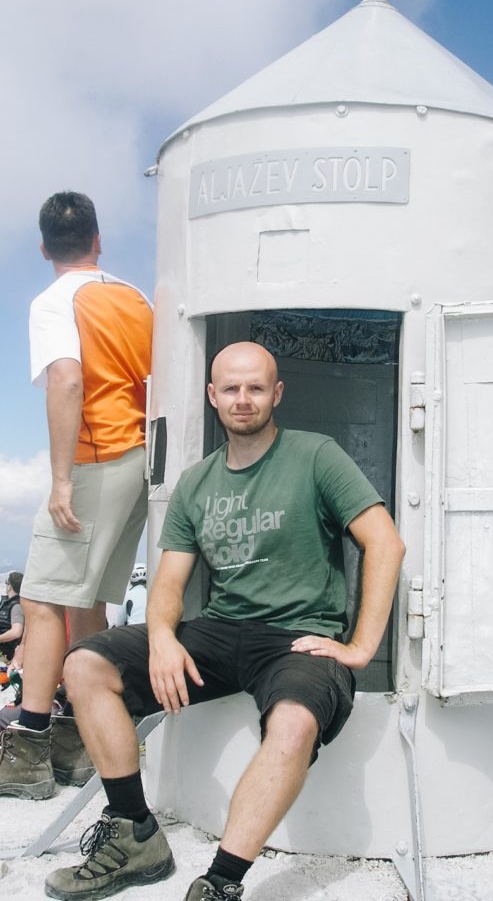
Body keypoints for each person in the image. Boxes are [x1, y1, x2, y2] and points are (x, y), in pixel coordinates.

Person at [44, 341, 405, 901]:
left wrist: (360, 647)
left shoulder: (316, 455)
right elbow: (168, 585)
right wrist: (162, 637)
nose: (243, 399)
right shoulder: (196, 482)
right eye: (231, 388)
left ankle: (220, 882)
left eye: (255, 388)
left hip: (297, 637)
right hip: (220, 630)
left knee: (294, 722)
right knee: (85, 664)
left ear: (276, 394)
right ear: (212, 395)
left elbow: (385, 543)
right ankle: (135, 832)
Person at [0, 191, 153, 801]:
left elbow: (66, 379)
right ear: (98, 239)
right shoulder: (135, 297)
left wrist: (61, 479)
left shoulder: (54, 300)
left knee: (40, 601)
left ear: (43, 248)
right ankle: (80, 740)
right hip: (140, 456)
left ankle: (28, 752)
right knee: (88, 605)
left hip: (94, 457)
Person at [0, 571, 25, 662]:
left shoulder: (16, 606)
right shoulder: (6, 603)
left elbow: (16, 632)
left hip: (4, 652)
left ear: (10, 586)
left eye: (7, 583)